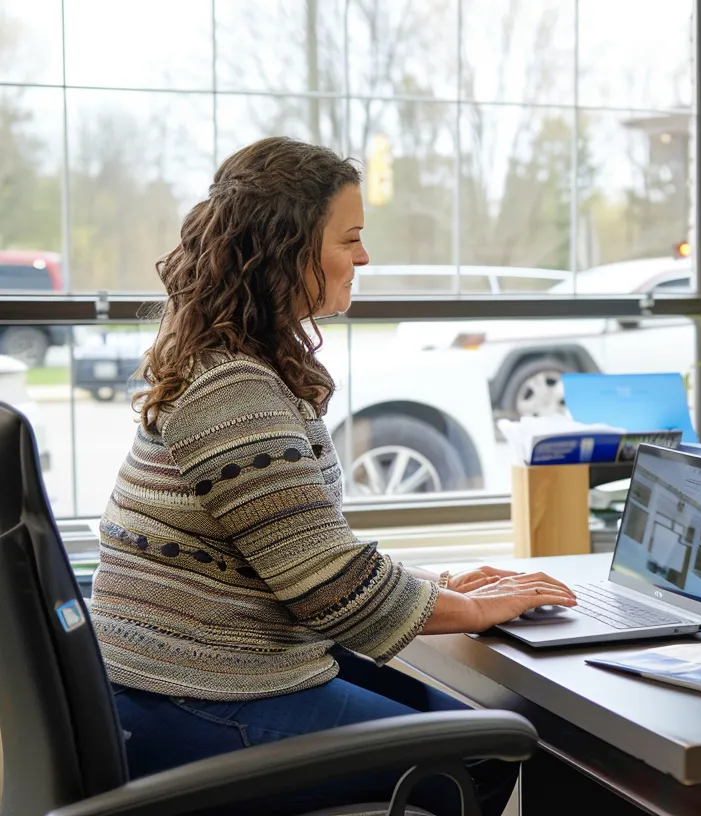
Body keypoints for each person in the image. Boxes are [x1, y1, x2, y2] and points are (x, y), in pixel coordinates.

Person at [90, 136, 577, 816]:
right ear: (285, 250)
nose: (364, 257)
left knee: (474, 726)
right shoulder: (233, 393)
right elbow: (328, 589)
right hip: (196, 697)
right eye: (350, 239)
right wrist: (472, 609)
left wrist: (442, 585)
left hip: (194, 677)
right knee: (485, 752)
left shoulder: (234, 363)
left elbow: (304, 556)